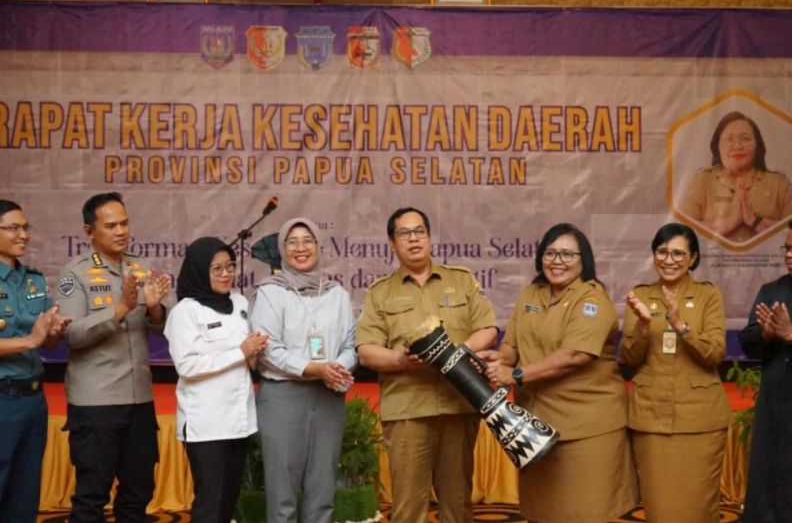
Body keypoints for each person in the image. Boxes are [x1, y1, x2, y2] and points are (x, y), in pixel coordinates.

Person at [481, 223, 636, 523]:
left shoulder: (592, 301)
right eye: (550, 253)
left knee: (585, 513)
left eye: (567, 254)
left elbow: (574, 356)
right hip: (535, 427)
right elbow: (513, 345)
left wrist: (515, 375)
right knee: (542, 511)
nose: (557, 261)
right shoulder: (531, 293)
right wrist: (497, 359)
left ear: (583, 260)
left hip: (587, 427)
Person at [356, 207, 498, 523]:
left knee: (458, 507)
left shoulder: (461, 280)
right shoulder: (380, 292)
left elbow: (488, 328)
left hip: (458, 404)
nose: (413, 238)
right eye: (404, 233)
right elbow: (366, 351)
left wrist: (456, 354)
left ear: (430, 237)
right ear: (392, 243)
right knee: (408, 510)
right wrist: (399, 360)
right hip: (408, 410)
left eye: (419, 231)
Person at [56, 192, 171, 523]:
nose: (121, 231)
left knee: (139, 492)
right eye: (110, 226)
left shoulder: (141, 267)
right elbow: (72, 335)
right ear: (89, 231)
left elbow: (162, 329)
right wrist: (119, 309)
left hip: (139, 399)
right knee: (92, 496)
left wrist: (154, 309)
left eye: (124, 223)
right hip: (97, 403)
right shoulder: (75, 274)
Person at [249, 217, 357, 523]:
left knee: (323, 490)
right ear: (282, 249)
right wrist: (313, 368)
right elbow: (268, 349)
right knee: (282, 494)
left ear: (319, 246)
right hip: (283, 397)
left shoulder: (337, 293)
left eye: (308, 240)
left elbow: (351, 344)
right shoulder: (271, 292)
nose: (301, 248)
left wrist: (336, 369)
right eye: (292, 242)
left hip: (328, 396)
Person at [620, 223, 730, 523]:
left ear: (693, 258)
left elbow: (715, 354)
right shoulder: (640, 296)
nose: (669, 260)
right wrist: (644, 325)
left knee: (698, 507)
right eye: (662, 252)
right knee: (660, 508)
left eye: (678, 254)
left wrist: (681, 326)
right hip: (651, 418)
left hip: (701, 421)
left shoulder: (708, 295)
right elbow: (629, 357)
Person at [165, 237, 267, 523]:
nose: (226, 274)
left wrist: (256, 351)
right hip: (206, 425)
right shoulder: (186, 311)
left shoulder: (241, 302)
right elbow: (187, 365)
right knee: (209, 504)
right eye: (217, 269)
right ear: (200, 270)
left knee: (228, 501)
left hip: (240, 421)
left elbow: (248, 358)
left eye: (230, 266)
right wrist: (240, 352)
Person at [0, 199, 71, 522]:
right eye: (13, 228)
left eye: (26, 227)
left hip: (33, 399)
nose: (23, 235)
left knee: (25, 493)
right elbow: (33, 340)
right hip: (3, 397)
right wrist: (31, 340)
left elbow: (47, 342)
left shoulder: (34, 280)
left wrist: (54, 331)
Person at [739, 218, 792, 522]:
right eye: (786, 248)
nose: (788, 255)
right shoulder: (772, 290)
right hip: (775, 407)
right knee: (769, 484)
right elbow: (748, 342)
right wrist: (764, 336)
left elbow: (791, 336)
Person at [680, 111, 792, 242]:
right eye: (729, 139)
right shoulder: (702, 180)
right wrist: (729, 223)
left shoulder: (779, 183)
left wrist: (756, 222)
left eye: (745, 138)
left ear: (757, 145)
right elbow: (682, 232)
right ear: (717, 145)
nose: (737, 146)